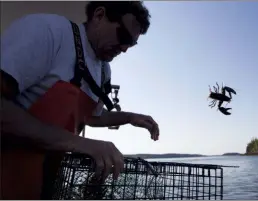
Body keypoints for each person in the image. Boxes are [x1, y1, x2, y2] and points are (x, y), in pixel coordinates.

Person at [0, 1, 159, 199]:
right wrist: (78, 143)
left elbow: (92, 117)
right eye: (123, 36)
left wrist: (129, 118)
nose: (125, 48)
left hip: (45, 184)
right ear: (99, 15)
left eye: (131, 44)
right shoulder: (49, 31)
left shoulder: (103, 70)